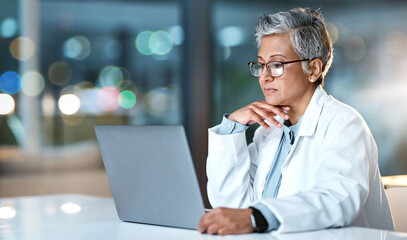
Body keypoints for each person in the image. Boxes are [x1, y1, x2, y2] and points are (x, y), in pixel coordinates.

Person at [198, 7, 394, 235]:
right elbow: (232, 207)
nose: (265, 75)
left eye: (277, 65)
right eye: (261, 65)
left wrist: (257, 217)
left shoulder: (343, 123)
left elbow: (338, 200)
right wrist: (232, 125)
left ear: (313, 69)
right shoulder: (268, 131)